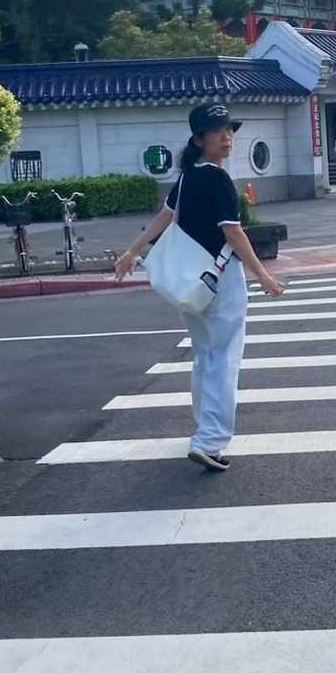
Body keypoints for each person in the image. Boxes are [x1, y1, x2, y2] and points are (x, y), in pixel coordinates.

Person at [114, 103, 285, 473]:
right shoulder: (217, 179)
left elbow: (164, 217)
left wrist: (132, 251)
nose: (226, 137)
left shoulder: (187, 177)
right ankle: (209, 439)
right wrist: (263, 275)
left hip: (190, 283)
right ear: (198, 139)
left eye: (229, 130)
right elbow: (233, 232)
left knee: (205, 355)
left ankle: (204, 428)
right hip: (220, 279)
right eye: (217, 131)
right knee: (224, 358)